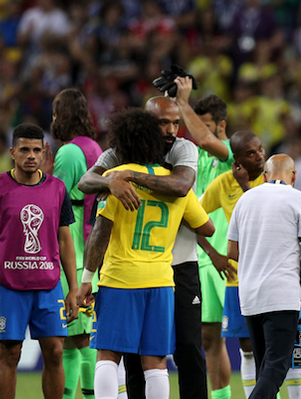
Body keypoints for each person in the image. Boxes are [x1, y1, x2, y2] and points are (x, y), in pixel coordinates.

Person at [75, 108, 214, 399]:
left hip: (119, 279)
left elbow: (100, 232)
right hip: (162, 281)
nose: (172, 131)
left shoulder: (116, 179)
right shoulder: (178, 186)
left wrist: (87, 279)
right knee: (156, 363)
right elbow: (208, 228)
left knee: (109, 356)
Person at [227, 154, 301, 399]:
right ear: (294, 176)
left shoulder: (245, 199)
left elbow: (231, 251)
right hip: (282, 292)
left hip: (249, 294)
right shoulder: (300, 198)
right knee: (277, 366)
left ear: (265, 175)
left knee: (263, 367)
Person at [0, 123, 78, 399]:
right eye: (24, 150)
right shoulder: (1, 187)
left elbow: (65, 240)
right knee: (9, 353)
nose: (31, 155)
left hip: (48, 286)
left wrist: (74, 288)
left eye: (37, 150)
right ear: (12, 152)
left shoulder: (57, 189)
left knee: (56, 352)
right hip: (9, 287)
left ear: (45, 153)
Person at [175, 76, 241, 399]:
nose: (195, 129)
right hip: (200, 255)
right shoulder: (194, 157)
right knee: (209, 339)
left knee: (243, 340)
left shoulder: (231, 152)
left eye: (203, 125)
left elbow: (203, 140)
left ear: (221, 125)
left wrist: (183, 101)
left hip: (228, 257)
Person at [41, 88, 103, 399]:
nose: (52, 119)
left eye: (55, 113)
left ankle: (89, 396)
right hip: (93, 246)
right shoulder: (94, 147)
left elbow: (55, 201)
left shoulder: (67, 152)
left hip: (73, 252)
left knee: (80, 339)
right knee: (71, 339)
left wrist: (46, 177)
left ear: (62, 115)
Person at [199, 130, 266, 398]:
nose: (260, 155)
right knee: (247, 346)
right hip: (238, 279)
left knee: (278, 345)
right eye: (251, 153)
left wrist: (245, 187)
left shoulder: (273, 178)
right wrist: (212, 254)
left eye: (260, 149)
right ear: (236, 159)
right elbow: (191, 217)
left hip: (271, 276)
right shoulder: (223, 184)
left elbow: (264, 215)